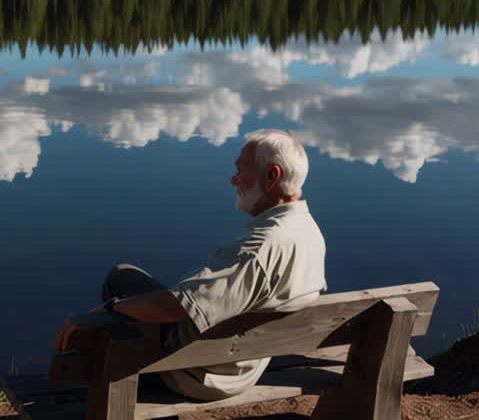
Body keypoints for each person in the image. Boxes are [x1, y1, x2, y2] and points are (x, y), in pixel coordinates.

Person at [53, 129, 327, 401]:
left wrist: (111, 306)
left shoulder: (258, 249)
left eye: (241, 170)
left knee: (120, 279)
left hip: (199, 373)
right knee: (131, 279)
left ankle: (122, 391)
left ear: (272, 177)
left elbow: (175, 307)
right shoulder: (309, 232)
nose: (233, 180)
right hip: (245, 365)